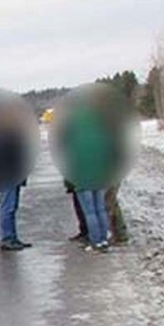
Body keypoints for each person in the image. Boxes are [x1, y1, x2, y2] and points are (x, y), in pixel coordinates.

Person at [63, 103, 113, 252]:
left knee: (90, 212)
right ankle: (104, 239)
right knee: (101, 209)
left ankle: (95, 241)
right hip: (100, 176)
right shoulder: (99, 130)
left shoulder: (74, 133)